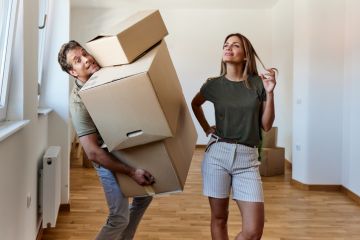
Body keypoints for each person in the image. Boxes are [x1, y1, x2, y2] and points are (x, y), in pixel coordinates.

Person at [58, 40, 155, 240]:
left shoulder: (106, 72)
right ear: (73, 72)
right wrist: (131, 172)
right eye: (78, 60)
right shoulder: (79, 103)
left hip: (126, 143)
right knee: (119, 217)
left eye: (85, 53)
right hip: (105, 156)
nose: (86, 59)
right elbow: (93, 153)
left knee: (144, 196)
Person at [191, 33, 277, 240]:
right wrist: (206, 128)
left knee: (254, 231)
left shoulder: (259, 84)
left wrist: (271, 92)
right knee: (219, 218)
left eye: (235, 45)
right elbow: (195, 104)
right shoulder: (213, 85)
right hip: (218, 155)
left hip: (247, 159)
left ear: (246, 55)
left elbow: (266, 125)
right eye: (226, 45)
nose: (228, 48)